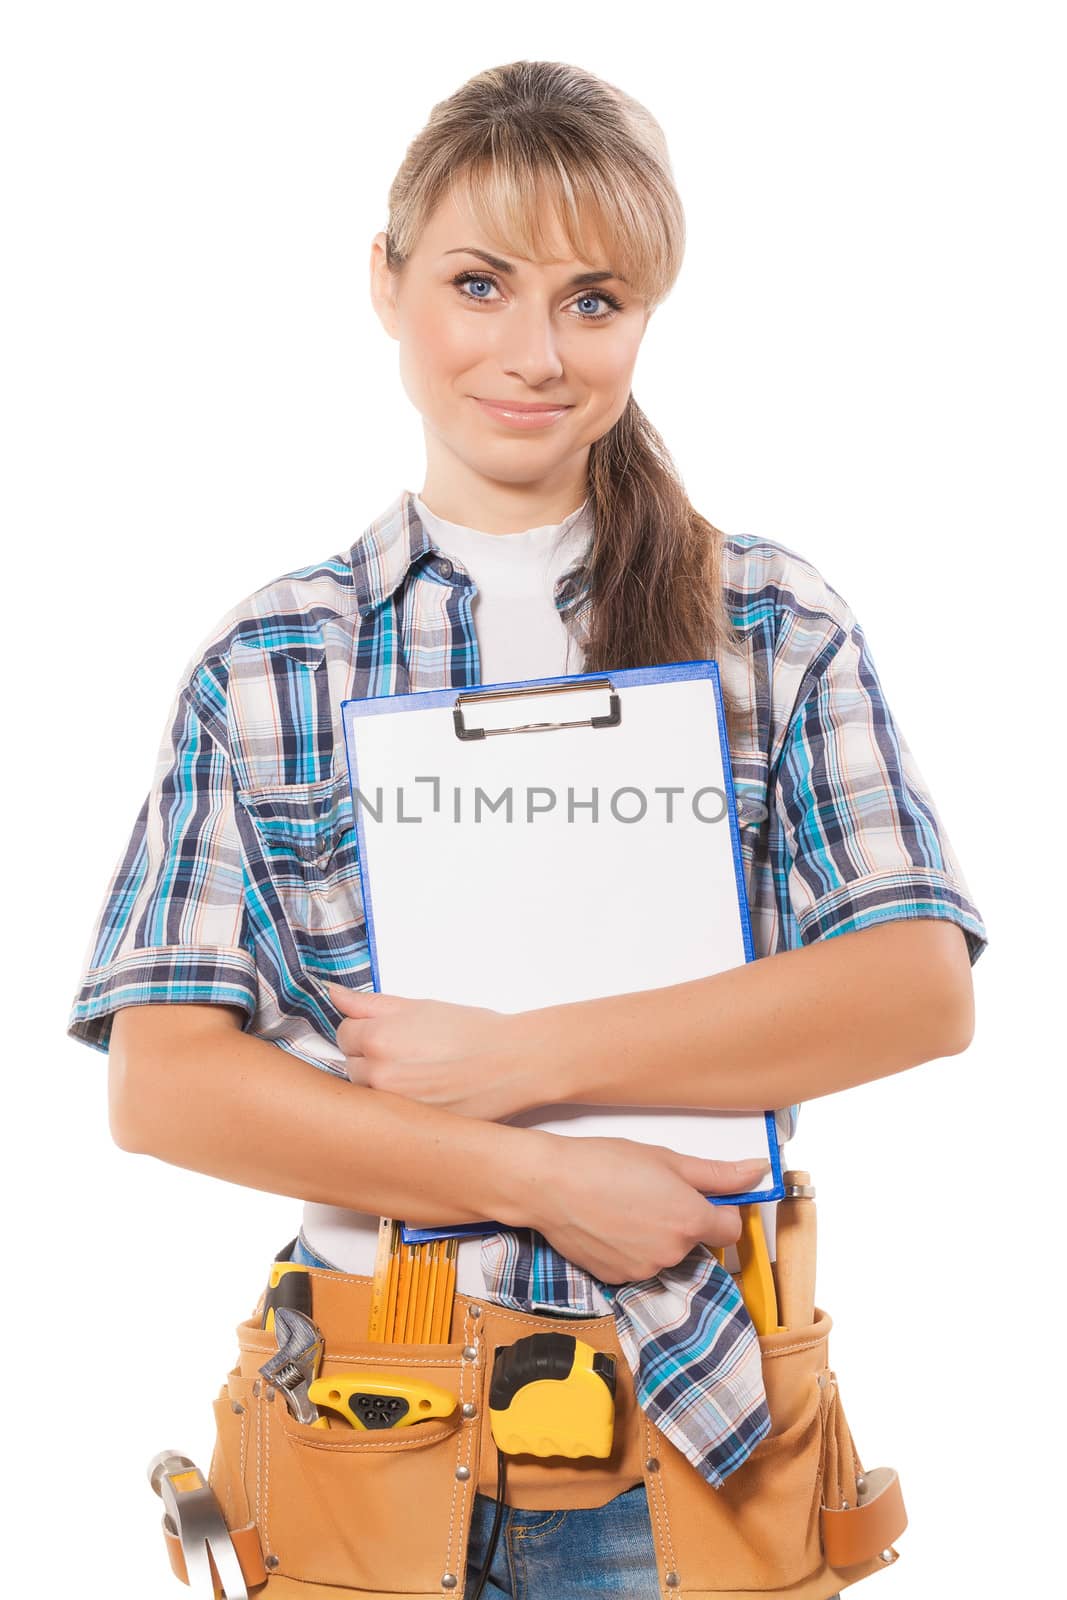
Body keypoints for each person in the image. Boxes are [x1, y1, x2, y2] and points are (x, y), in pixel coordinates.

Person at [67, 59, 987, 1600]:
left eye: (594, 299)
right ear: (386, 282)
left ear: (645, 318)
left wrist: (524, 1058)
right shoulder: (276, 659)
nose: (534, 353)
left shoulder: (767, 622)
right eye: (479, 284)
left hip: (702, 1432)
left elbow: (916, 988)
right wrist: (545, 1179)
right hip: (372, 1431)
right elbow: (165, 1088)